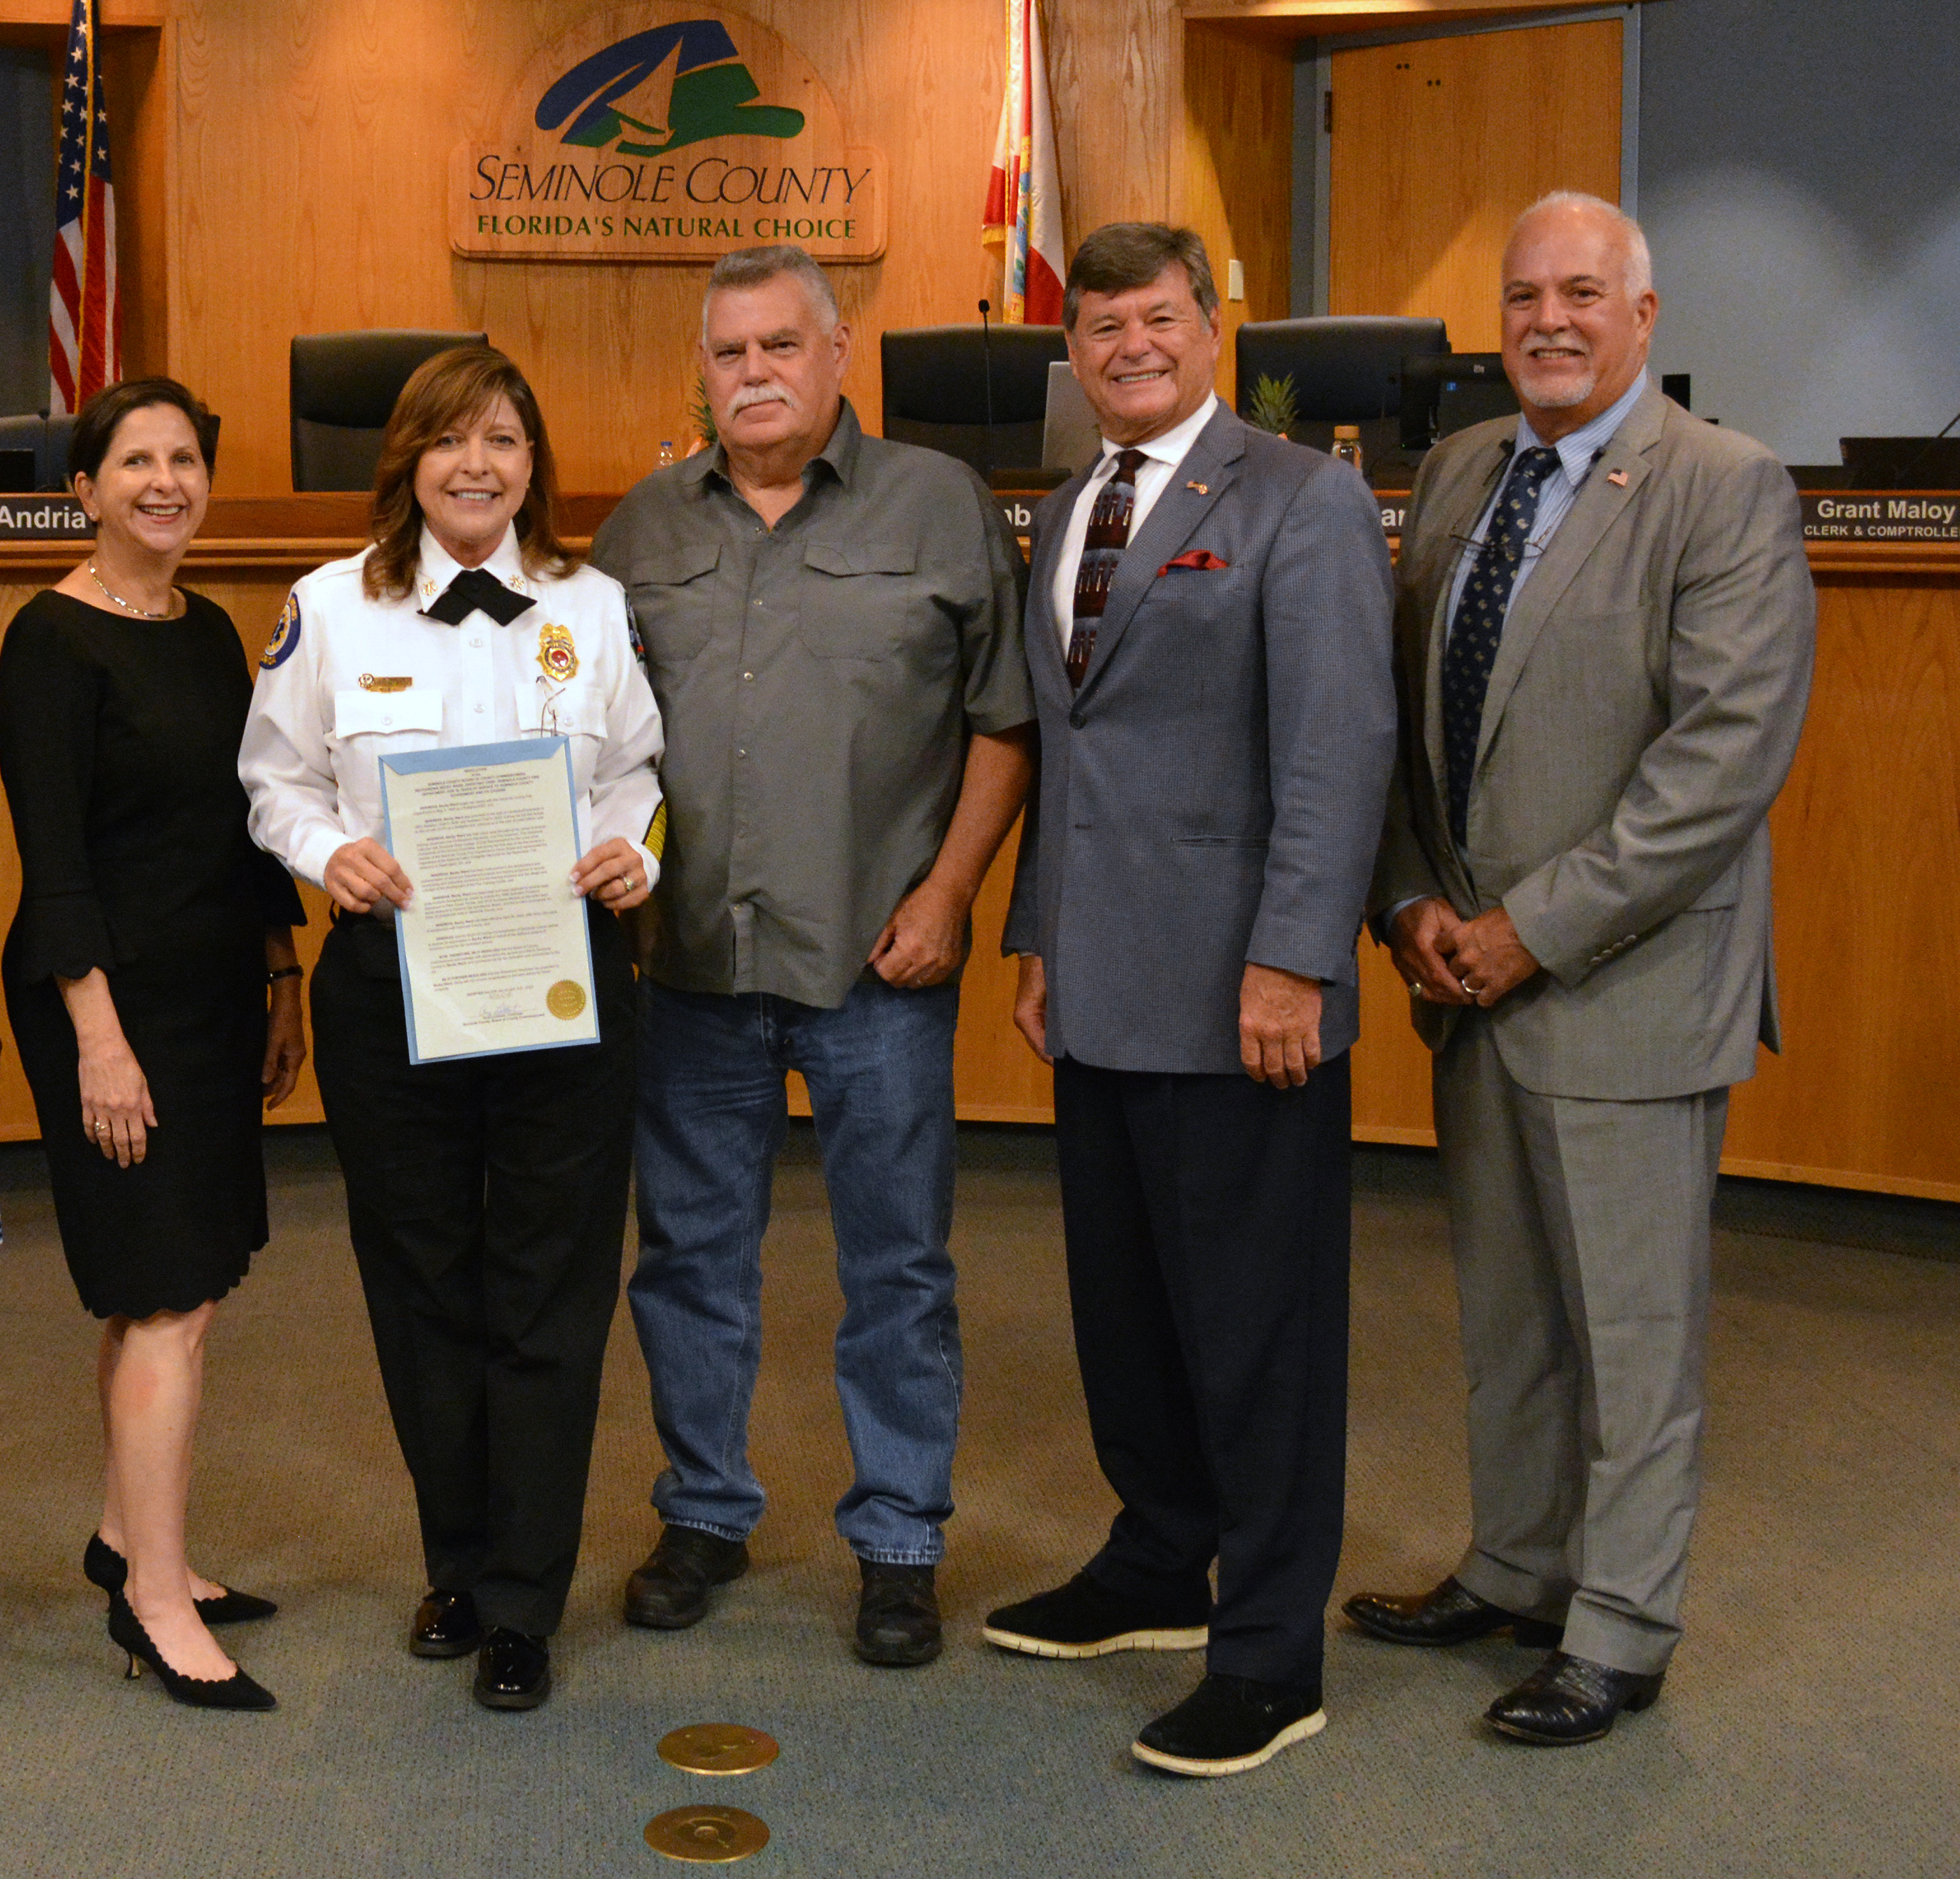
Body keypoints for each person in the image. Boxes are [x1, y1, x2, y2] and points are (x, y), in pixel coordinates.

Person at [1344, 192, 1816, 1747]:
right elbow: (1413, 715)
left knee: (1631, 1333)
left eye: (1583, 295)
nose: (1549, 320)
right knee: (1512, 1314)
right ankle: (1520, 1562)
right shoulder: (1469, 467)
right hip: (1466, 982)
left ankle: (1619, 1628)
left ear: (1645, 317)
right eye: (1526, 295)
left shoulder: (1724, 489)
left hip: (1620, 986)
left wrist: (1530, 927)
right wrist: (1412, 900)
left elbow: (1721, 760)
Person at [984, 223, 1395, 1777]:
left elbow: (1339, 751)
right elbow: (1067, 751)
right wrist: (1038, 936)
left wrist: (1296, 960)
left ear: (1212, 329)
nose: (1128, 346)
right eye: (1099, 327)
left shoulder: (1306, 500)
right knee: (1133, 1311)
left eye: (1157, 318)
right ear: (1072, 349)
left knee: (1257, 1336)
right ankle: (1158, 1560)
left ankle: (1272, 1649)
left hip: (1245, 999)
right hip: (1099, 986)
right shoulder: (1074, 503)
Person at [593, 244, 1036, 1668]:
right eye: (729, 354)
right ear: (703, 373)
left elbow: (1005, 720)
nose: (755, 376)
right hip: (692, 966)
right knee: (690, 1257)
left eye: (782, 346)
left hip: (877, 964)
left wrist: (955, 891)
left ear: (840, 353)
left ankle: (901, 1537)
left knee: (896, 1266)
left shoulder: (939, 504)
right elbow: (590, 738)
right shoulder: (643, 530)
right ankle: (707, 1513)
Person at [241, 344, 660, 1713]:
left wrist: (628, 853)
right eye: (450, 442)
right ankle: (459, 1563)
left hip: (557, 982)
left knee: (549, 1283)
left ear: (534, 461)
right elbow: (273, 778)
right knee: (424, 1281)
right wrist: (326, 854)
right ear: (408, 462)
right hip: (393, 982)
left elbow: (640, 769)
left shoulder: (591, 607)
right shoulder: (329, 609)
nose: (477, 466)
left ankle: (527, 1595)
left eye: (503, 440)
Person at [0, 376, 308, 1712]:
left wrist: (281, 965)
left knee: (184, 1285)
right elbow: (55, 867)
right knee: (165, 1291)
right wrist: (98, 1044)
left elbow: (243, 821)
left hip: (211, 992)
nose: (166, 483)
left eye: (186, 459)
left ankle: (129, 1537)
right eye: (137, 462)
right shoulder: (51, 644)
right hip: (105, 1007)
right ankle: (157, 1602)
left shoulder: (208, 626)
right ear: (85, 486)